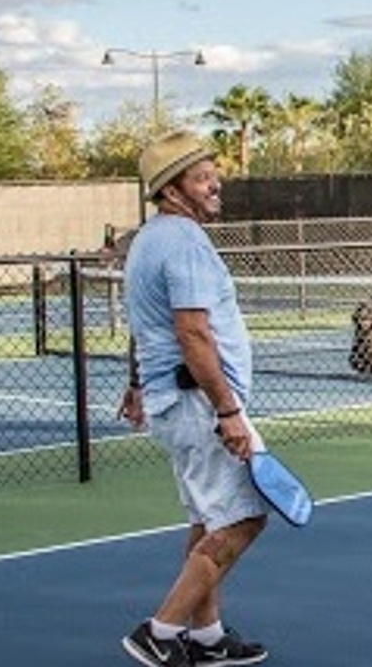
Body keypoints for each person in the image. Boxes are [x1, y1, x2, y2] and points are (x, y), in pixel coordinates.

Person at [116, 133, 270, 667]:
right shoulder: (183, 241)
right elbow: (191, 332)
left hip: (174, 398)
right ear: (173, 189)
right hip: (199, 405)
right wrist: (228, 411)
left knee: (210, 519)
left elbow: (147, 323)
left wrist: (138, 383)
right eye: (202, 176)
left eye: (212, 174)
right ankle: (161, 631)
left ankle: (206, 637)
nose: (215, 183)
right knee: (243, 520)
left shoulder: (147, 239)